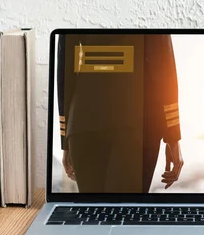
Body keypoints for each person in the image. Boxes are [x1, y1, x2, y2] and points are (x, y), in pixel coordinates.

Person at [57, 33, 183, 193]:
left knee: (93, 214)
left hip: (84, 121)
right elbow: (162, 63)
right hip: (138, 122)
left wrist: (66, 138)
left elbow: (66, 67)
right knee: (125, 213)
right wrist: (172, 136)